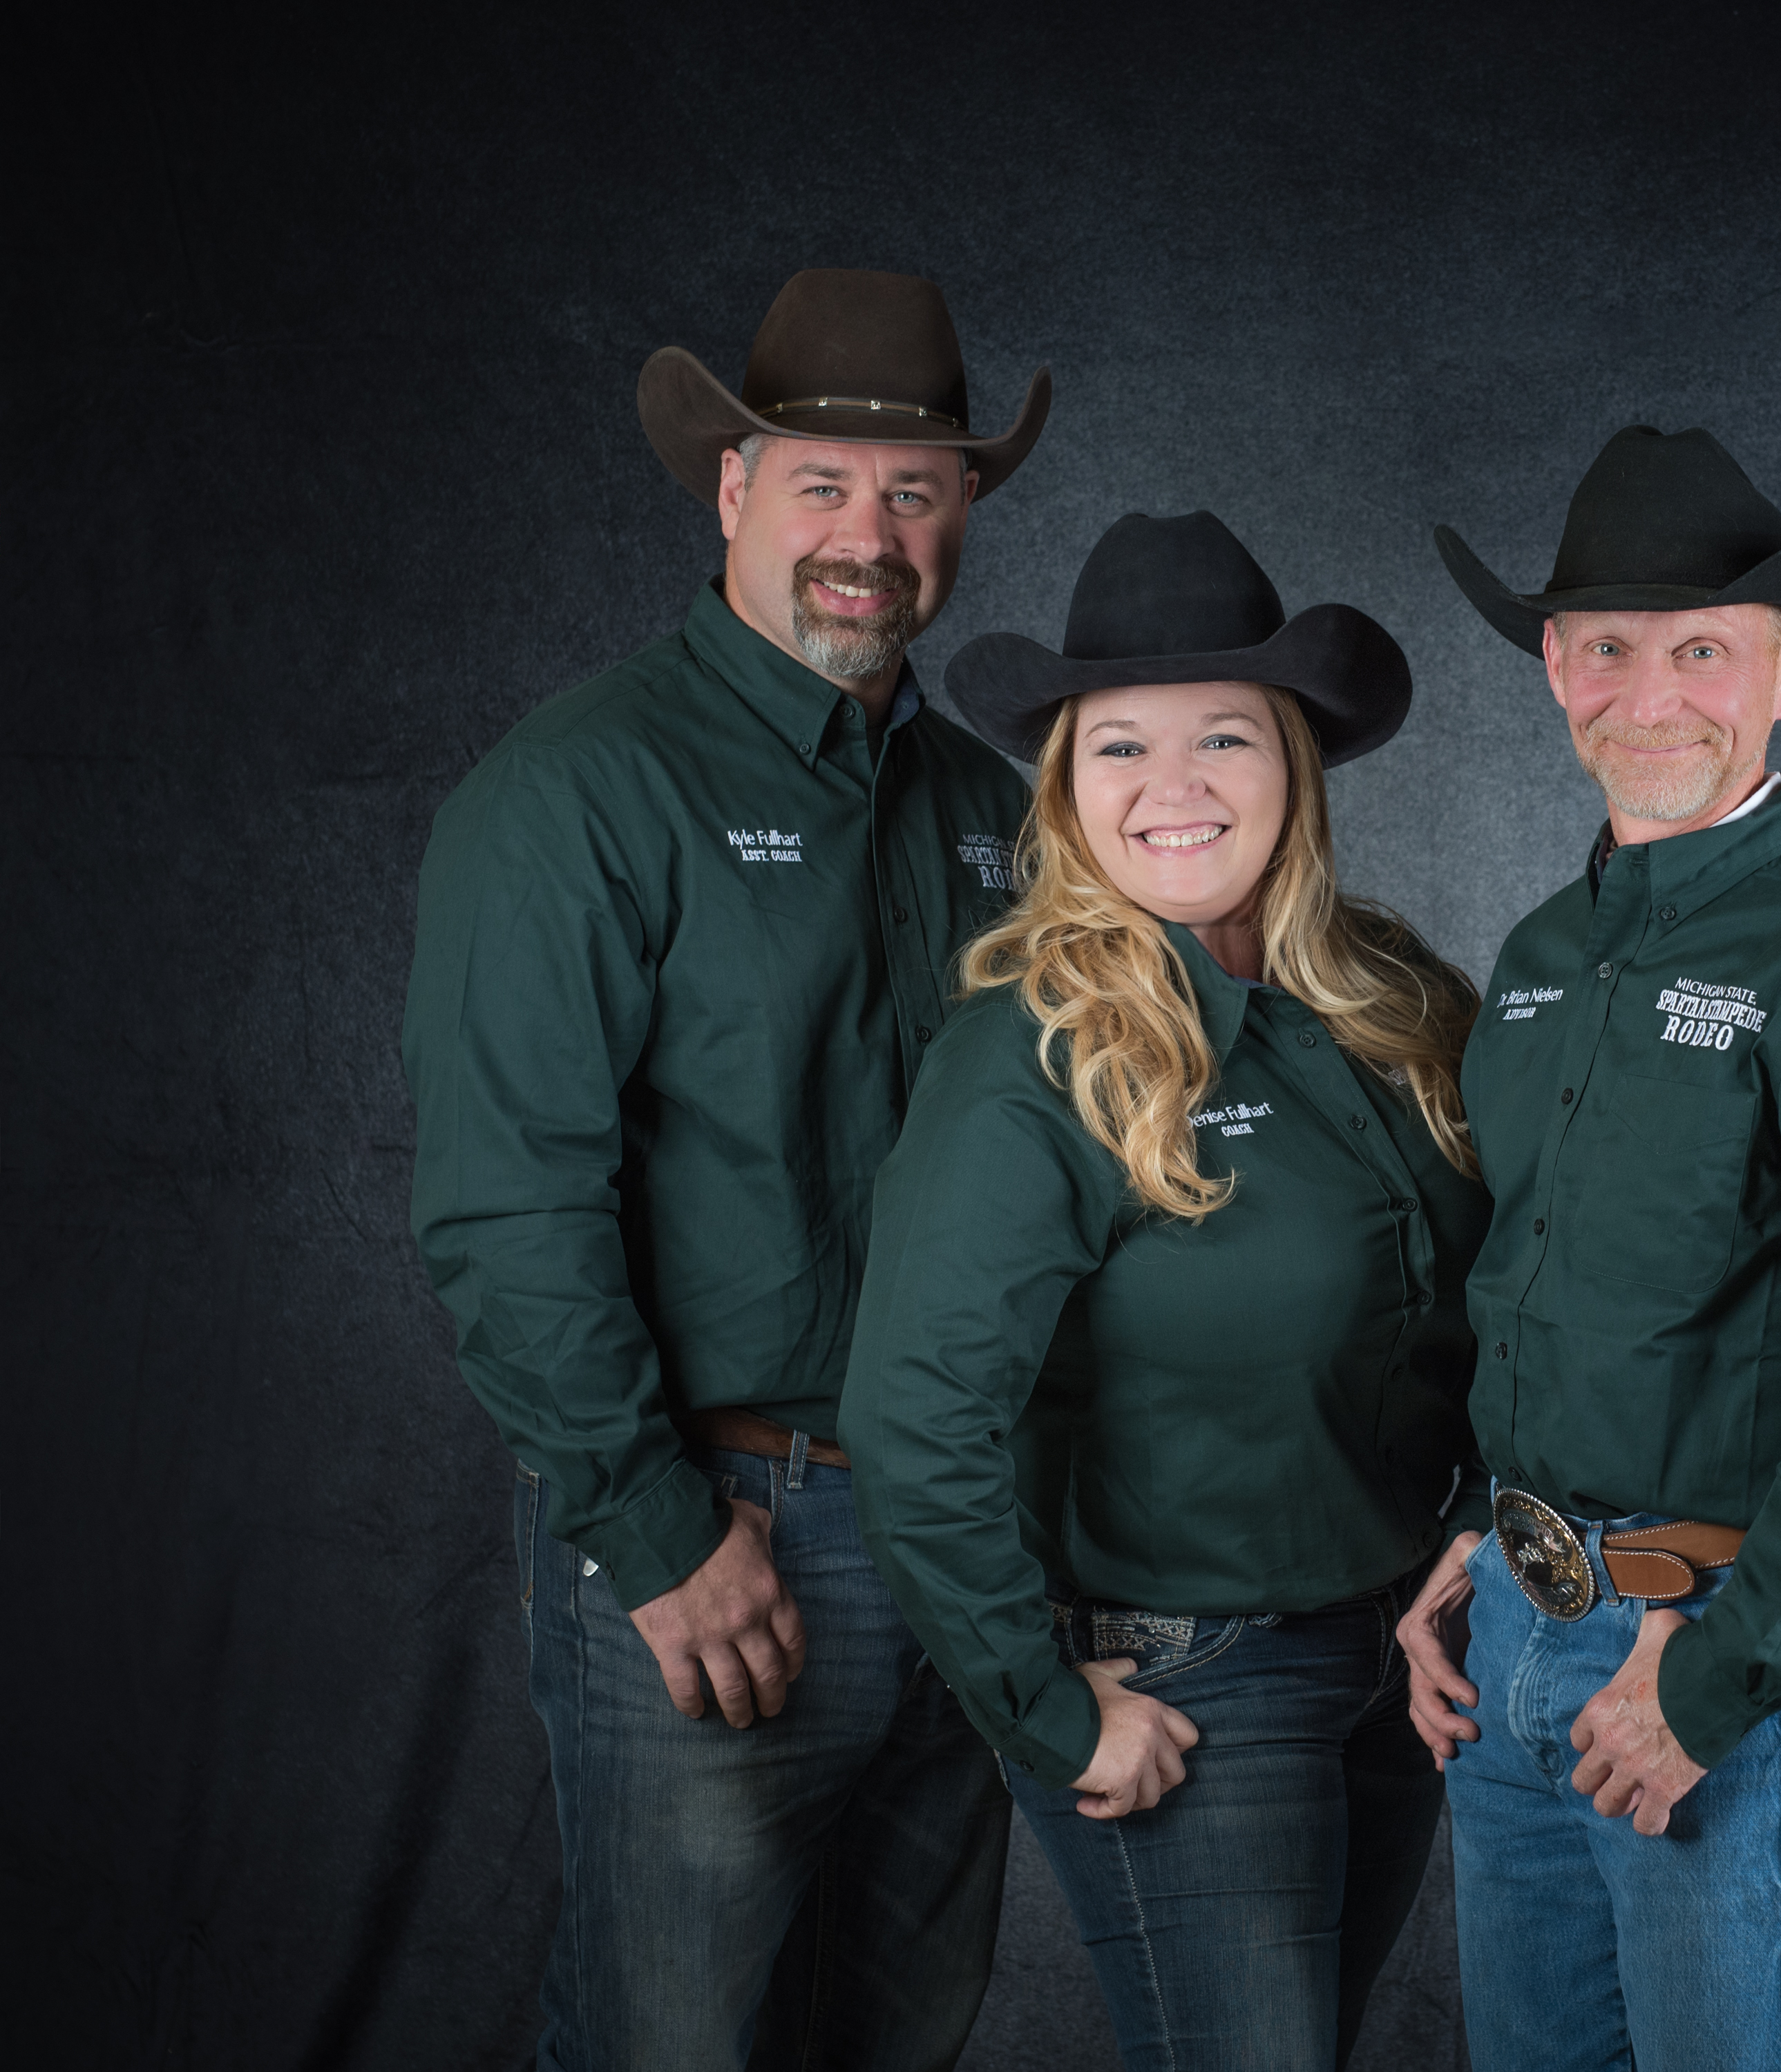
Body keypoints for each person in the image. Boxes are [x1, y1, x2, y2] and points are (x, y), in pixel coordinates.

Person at [401, 269, 1049, 2072]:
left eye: (915, 490)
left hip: (976, 1540)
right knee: (670, 2044)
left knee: (899, 2033)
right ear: (733, 492)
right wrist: (657, 1534)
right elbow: (507, 1210)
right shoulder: (579, 794)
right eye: (826, 482)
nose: (870, 534)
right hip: (727, 1532)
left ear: (967, 515)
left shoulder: (1004, 816)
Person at [1398, 427, 1781, 2069]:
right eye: (1608, 646)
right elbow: (1538, 1290)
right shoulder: (1542, 960)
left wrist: (1718, 1682)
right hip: (1521, 1646)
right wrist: (1477, 1547)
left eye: (1703, 650)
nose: (1651, 692)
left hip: (1732, 1661)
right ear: (1553, 667)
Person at [837, 510, 1489, 2072]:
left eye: (1225, 739)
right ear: (1063, 789)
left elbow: (1498, 1295)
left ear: (1297, 771)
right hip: (1193, 1677)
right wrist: (1045, 1711)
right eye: (1118, 746)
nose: (1174, 789)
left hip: (1404, 1657)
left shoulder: (1396, 1002)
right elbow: (914, 1413)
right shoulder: (1034, 1049)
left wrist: (1480, 1524)